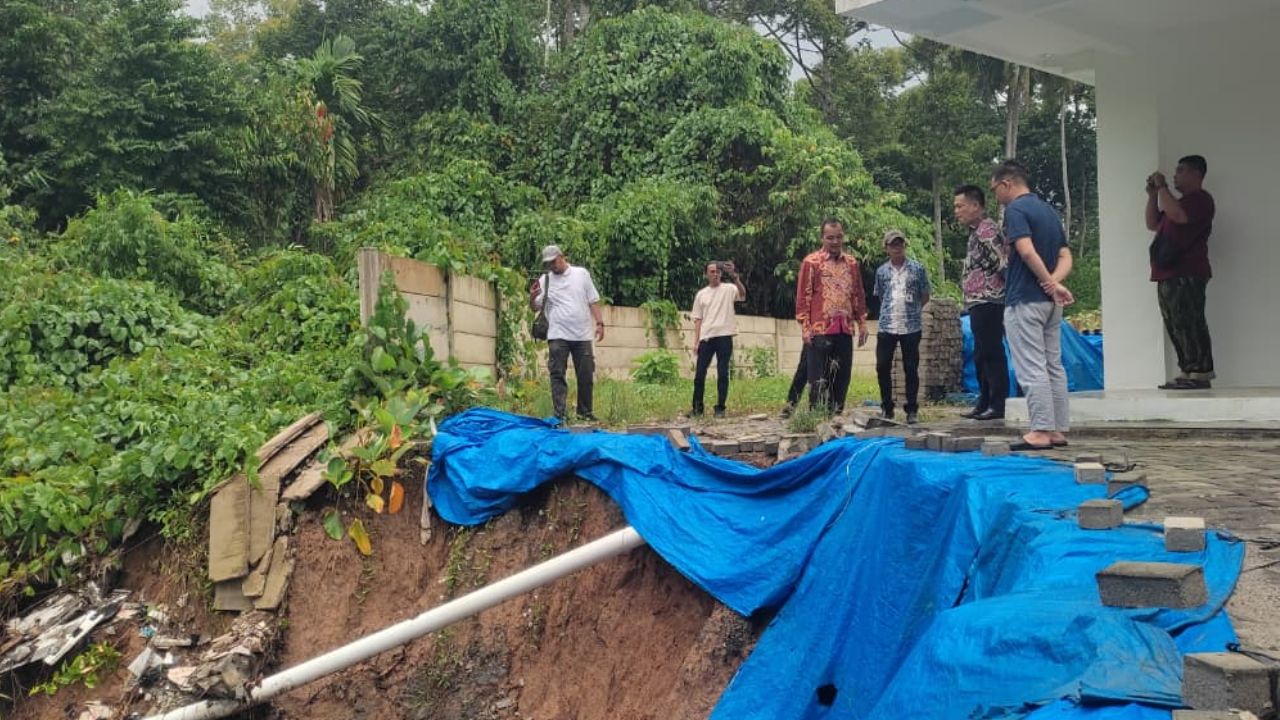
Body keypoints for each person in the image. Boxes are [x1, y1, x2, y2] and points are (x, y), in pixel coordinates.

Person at [990, 160, 1074, 451]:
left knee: (1031, 366)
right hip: (1051, 303)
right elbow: (1065, 256)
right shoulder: (1050, 211)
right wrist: (1054, 284)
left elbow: (1025, 250)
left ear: (1006, 184)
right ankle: (1058, 430)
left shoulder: (1016, 210)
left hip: (1025, 299)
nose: (996, 197)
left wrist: (1048, 283)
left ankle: (1040, 430)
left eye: (995, 190)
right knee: (1054, 365)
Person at [1145, 155, 1216, 389]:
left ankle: (1201, 371)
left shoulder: (1200, 200)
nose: (1175, 175)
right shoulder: (1177, 201)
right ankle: (1187, 369)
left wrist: (1164, 187)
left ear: (1197, 174)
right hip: (1167, 271)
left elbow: (1178, 216)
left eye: (1181, 170)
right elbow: (1152, 222)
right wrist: (1154, 194)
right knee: (1174, 322)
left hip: (1188, 271)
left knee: (1190, 320)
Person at [795, 218, 869, 414]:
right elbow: (804, 297)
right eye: (830, 238)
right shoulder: (811, 262)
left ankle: (836, 418)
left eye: (838, 237)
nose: (835, 242)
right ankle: (816, 421)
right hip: (820, 329)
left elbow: (858, 294)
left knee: (841, 378)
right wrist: (805, 327)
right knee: (818, 380)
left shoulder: (852, 263)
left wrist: (862, 323)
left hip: (844, 328)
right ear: (822, 238)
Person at [529, 245, 605, 422]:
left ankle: (585, 413)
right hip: (557, 334)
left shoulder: (581, 274)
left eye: (553, 262)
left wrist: (600, 323)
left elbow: (593, 300)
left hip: (582, 335)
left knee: (585, 375)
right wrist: (532, 297)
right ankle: (560, 415)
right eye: (548, 264)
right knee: (557, 374)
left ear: (562, 257)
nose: (552, 266)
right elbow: (535, 307)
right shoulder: (545, 279)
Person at [954, 184, 1009, 420]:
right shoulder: (975, 233)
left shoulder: (987, 231)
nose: (957, 211)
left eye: (960, 206)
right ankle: (984, 400)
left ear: (976, 206)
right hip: (977, 302)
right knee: (980, 353)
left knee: (991, 352)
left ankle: (997, 404)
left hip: (990, 301)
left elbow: (1003, 264)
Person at [872, 229, 930, 424]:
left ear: (904, 245)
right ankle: (887, 408)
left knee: (911, 367)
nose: (897, 248)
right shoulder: (881, 272)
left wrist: (912, 310)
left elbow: (925, 295)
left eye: (899, 244)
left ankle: (912, 409)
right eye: (892, 245)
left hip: (911, 326)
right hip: (887, 324)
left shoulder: (917, 269)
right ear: (886, 248)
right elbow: (881, 296)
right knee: (882, 367)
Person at [690, 261, 746, 417]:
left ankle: (720, 407)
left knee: (723, 372)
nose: (715, 274)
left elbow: (742, 295)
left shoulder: (729, 289)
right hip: (706, 337)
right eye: (712, 271)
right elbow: (698, 319)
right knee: (700, 373)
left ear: (721, 274)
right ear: (706, 274)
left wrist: (735, 277)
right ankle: (697, 408)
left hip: (724, 336)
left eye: (718, 272)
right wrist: (696, 342)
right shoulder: (701, 294)